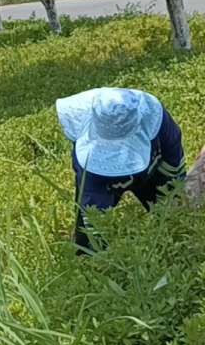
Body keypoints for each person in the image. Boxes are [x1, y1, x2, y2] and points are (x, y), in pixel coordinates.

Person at [55, 86, 186, 249]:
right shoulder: (89, 160)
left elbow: (173, 166)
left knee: (172, 222)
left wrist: (173, 194)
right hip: (98, 175)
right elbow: (91, 205)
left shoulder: (159, 121)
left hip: (152, 169)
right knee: (89, 236)